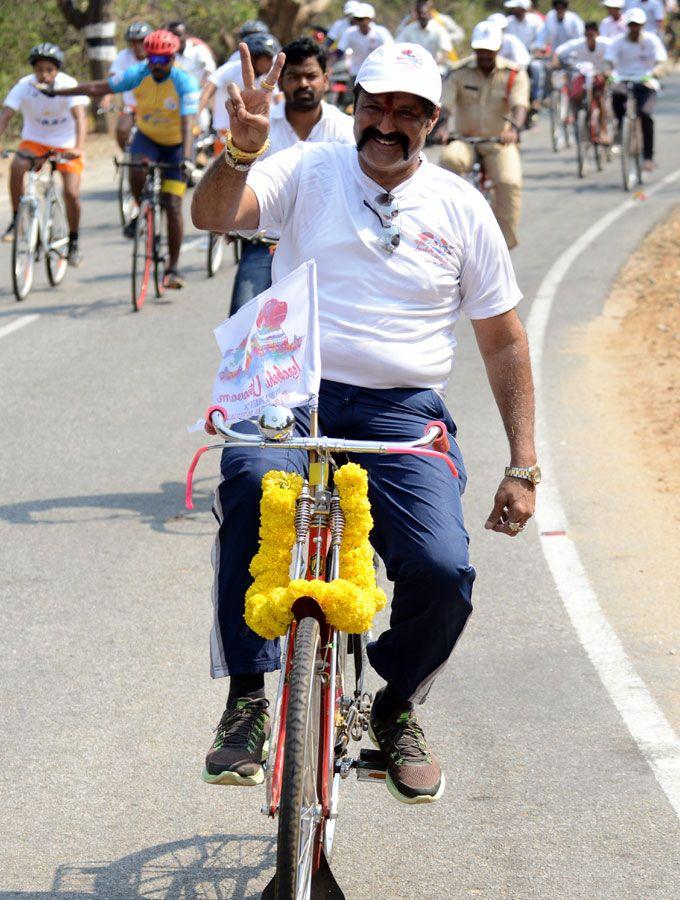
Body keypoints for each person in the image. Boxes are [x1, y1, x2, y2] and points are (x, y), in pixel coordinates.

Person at [191, 41, 539, 804]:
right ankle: (247, 697)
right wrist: (240, 148)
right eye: (376, 107)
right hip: (293, 390)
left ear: (432, 122)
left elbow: (504, 338)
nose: (388, 124)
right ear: (355, 104)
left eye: (408, 113)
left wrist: (523, 462)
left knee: (444, 570)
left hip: (401, 411)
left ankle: (395, 702)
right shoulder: (307, 169)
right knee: (249, 486)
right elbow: (213, 214)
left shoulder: (460, 207)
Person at [45, 29, 199, 288]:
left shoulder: (185, 82)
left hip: (177, 144)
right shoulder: (138, 74)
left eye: (163, 60)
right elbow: (99, 87)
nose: (157, 66)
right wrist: (59, 92)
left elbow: (188, 123)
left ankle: (172, 269)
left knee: (173, 205)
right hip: (148, 137)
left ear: (173, 59)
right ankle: (142, 210)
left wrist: (185, 158)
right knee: (135, 168)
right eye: (153, 60)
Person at [228, 37, 355, 314]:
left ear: (326, 78)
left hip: (331, 249)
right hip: (265, 245)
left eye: (311, 75)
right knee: (242, 330)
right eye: (294, 77)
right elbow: (239, 183)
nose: (303, 84)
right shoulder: (258, 125)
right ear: (282, 82)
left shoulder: (347, 131)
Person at [439, 22, 528, 250]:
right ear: (473, 48)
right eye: (480, 50)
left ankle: (504, 246)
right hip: (464, 139)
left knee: (509, 181)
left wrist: (514, 130)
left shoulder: (513, 74)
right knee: (448, 162)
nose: (485, 55)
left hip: (498, 141)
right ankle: (446, 229)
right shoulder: (459, 72)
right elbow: (446, 104)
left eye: (489, 50)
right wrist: (442, 127)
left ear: (498, 49)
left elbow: (520, 105)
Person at [0, 43, 88, 265]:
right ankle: (16, 218)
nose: (44, 74)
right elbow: (6, 114)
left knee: (71, 193)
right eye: (39, 69)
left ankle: (74, 240)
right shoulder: (24, 86)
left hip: (66, 143)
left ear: (57, 69)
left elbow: (80, 118)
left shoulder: (68, 85)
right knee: (17, 165)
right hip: (35, 141)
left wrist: (78, 147)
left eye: (49, 69)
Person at [201, 33, 282, 158]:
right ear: (254, 57)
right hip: (224, 135)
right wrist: (195, 116)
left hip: (254, 138)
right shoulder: (231, 69)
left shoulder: (267, 78)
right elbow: (208, 90)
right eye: (268, 58)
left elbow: (279, 100)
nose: (271, 62)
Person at [605, 7, 667, 170]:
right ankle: (620, 129)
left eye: (637, 25)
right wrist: (609, 72)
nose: (634, 28)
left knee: (645, 115)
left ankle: (648, 157)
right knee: (616, 97)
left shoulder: (651, 40)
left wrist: (655, 72)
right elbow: (609, 60)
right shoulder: (618, 41)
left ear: (643, 25)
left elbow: (662, 61)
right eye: (631, 24)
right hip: (624, 79)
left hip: (645, 82)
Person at [555, 22, 612, 142]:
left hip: (599, 76)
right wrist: (556, 62)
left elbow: (616, 55)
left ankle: (602, 130)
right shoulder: (578, 44)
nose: (590, 38)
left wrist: (609, 70)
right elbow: (559, 51)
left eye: (592, 35)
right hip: (583, 77)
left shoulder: (607, 44)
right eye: (587, 35)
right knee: (574, 95)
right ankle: (577, 119)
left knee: (599, 98)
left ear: (598, 34)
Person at [109, 21, 152, 151]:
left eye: (141, 41)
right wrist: (107, 96)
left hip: (154, 106)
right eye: (133, 42)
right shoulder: (124, 56)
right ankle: (128, 159)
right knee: (122, 130)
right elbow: (113, 78)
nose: (138, 46)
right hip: (132, 106)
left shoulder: (156, 57)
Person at [337, 3, 393, 81]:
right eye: (357, 19)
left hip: (378, 72)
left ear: (370, 19)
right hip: (357, 73)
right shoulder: (349, 33)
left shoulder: (381, 32)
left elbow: (390, 50)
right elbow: (339, 51)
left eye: (362, 19)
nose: (360, 22)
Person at [396, 0, 454, 70]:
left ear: (430, 13)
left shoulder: (439, 30)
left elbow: (445, 55)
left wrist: (428, 65)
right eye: (420, 13)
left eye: (425, 13)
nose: (423, 16)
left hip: (434, 70)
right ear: (416, 14)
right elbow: (396, 47)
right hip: (413, 70)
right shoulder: (409, 30)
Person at [167, 20, 216, 88]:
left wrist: (200, 88)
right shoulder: (170, 55)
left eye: (178, 35)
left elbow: (210, 69)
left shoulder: (198, 49)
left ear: (186, 35)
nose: (176, 39)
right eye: (172, 36)